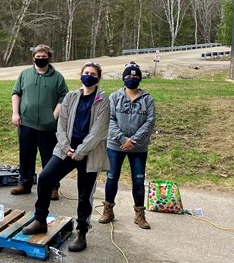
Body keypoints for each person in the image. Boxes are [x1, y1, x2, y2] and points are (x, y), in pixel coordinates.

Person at [22, 62, 110, 253]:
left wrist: (80, 152)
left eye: (93, 74)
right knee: (45, 178)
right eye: (86, 73)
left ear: (99, 78)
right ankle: (40, 220)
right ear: (81, 75)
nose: (89, 76)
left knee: (84, 195)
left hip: (89, 153)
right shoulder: (71, 97)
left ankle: (82, 232)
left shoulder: (103, 100)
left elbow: (98, 132)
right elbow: (61, 125)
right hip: (66, 150)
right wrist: (65, 147)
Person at [99, 62, 155, 229]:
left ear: (140, 79)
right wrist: (123, 139)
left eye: (135, 76)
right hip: (116, 145)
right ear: (123, 78)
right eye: (129, 76)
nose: (132, 78)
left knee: (138, 180)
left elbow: (150, 121)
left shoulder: (147, 99)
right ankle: (108, 210)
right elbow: (109, 119)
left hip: (138, 148)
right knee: (111, 177)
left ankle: (139, 214)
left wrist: (134, 140)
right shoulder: (114, 97)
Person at [11, 44, 68, 199]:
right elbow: (16, 93)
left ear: (49, 58)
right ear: (33, 57)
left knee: (49, 157)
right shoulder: (25, 74)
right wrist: (15, 113)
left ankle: (52, 187)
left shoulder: (57, 78)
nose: (41, 59)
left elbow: (64, 97)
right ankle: (25, 183)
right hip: (26, 123)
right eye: (38, 56)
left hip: (48, 126)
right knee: (26, 155)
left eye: (44, 57)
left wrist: (54, 115)